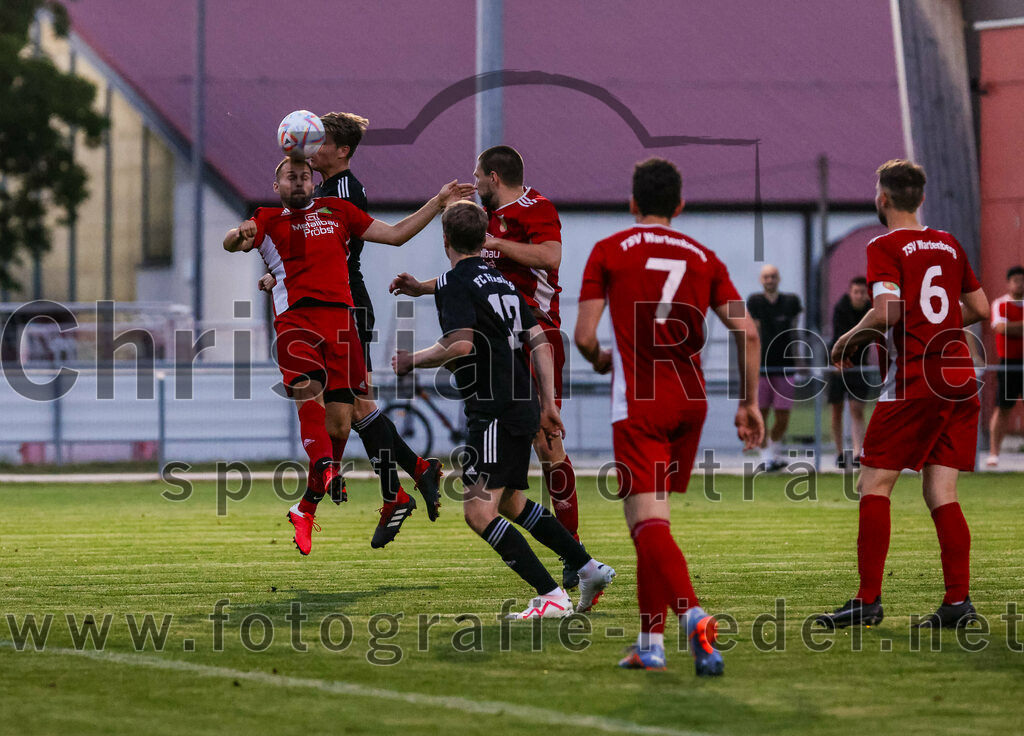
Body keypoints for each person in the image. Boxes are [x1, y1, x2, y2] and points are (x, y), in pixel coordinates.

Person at [224, 157, 474, 555]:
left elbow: (394, 235)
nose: (300, 180)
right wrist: (240, 232)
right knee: (311, 394)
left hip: (343, 323)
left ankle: (309, 506)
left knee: (341, 424)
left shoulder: (339, 208)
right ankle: (344, 474)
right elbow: (232, 243)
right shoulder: (267, 218)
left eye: (305, 175)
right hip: (298, 322)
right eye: (291, 176)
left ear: (315, 181)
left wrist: (438, 200)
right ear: (277, 186)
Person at [575, 158, 764, 675]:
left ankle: (695, 617)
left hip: (639, 402)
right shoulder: (704, 256)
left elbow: (586, 337)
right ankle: (649, 644)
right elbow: (748, 332)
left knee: (648, 525)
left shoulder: (609, 250)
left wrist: (600, 360)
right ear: (679, 205)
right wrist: (748, 402)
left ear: (633, 202)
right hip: (691, 402)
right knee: (651, 526)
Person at [391, 200, 615, 619]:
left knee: (478, 510)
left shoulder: (457, 283)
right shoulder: (503, 283)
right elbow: (541, 343)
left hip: (492, 409)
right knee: (511, 502)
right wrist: (548, 404)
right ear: (484, 239)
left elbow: (459, 344)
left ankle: (550, 595)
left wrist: (412, 360)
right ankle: (587, 566)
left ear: (445, 240)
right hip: (522, 400)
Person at [258, 112, 443, 549]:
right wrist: (280, 273)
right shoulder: (318, 192)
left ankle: (398, 482)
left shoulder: (340, 192)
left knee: (354, 410)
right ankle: (399, 482)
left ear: (340, 150)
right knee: (350, 413)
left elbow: (350, 241)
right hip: (332, 301)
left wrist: (292, 272)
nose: (309, 149)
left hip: (343, 303)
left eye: (318, 142)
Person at [817, 159, 988, 630]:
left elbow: (888, 310)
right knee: (941, 490)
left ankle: (867, 600)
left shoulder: (885, 244)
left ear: (883, 199)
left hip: (917, 378)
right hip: (959, 374)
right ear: (923, 198)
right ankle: (957, 602)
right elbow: (980, 307)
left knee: (873, 485)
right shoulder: (949, 244)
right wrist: (938, 326)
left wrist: (849, 337)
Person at [747, 264, 803, 471]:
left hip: (785, 365)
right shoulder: (755, 302)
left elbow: (794, 331)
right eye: (766, 277)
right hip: (762, 366)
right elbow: (754, 332)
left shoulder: (791, 302)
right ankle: (765, 456)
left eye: (773, 276)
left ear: (778, 279)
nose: (770, 280)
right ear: (761, 280)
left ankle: (775, 450)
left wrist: (799, 359)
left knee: (783, 414)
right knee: (760, 412)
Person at [827, 276, 875, 467]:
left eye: (863, 292)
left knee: (857, 409)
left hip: (859, 366)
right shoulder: (841, 308)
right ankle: (839, 453)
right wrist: (838, 361)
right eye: (856, 292)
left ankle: (857, 453)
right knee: (837, 409)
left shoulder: (871, 310)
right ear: (850, 292)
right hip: (838, 362)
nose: (859, 295)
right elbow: (838, 336)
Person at [986, 265, 1024, 467]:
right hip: (1009, 363)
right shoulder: (1000, 304)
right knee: (1002, 408)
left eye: (1022, 280)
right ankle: (994, 453)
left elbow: (1009, 328)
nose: (1020, 284)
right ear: (1008, 283)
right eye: (1016, 280)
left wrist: (1014, 327)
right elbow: (1000, 328)